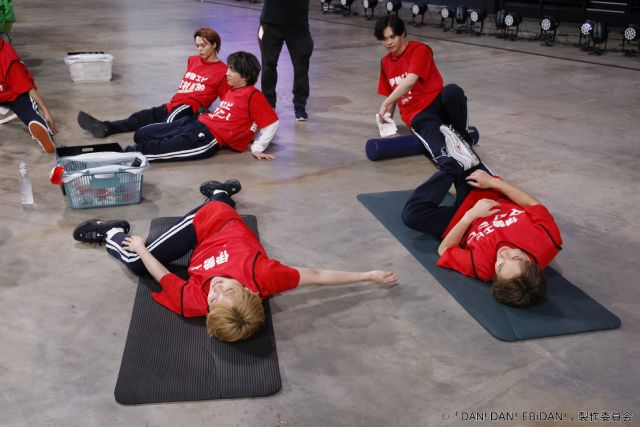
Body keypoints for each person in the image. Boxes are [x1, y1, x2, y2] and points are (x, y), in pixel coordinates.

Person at [73, 179, 398, 342]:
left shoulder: (196, 302)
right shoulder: (266, 276)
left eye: (215, 299)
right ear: (252, 293)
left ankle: (112, 231)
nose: (216, 289)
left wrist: (143, 250)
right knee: (216, 209)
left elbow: (162, 277)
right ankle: (218, 196)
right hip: (214, 220)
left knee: (135, 263)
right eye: (229, 290)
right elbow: (316, 275)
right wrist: (368, 275)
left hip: (203, 236)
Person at [402, 168, 563, 307]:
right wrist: (493, 182)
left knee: (412, 216)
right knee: (464, 163)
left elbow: (444, 249)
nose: (504, 254)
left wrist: (469, 216)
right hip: (490, 192)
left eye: (500, 266)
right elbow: (532, 204)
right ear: (532, 263)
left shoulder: (483, 268)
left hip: (465, 219)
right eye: (515, 258)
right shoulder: (547, 241)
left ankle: (450, 164)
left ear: (494, 278)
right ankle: (455, 151)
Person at [126, 51, 279, 161]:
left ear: (245, 76)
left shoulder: (253, 95)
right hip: (195, 123)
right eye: (228, 68)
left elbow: (272, 122)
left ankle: (119, 156)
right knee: (141, 134)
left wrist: (258, 147)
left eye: (232, 70)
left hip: (206, 138)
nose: (227, 73)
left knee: (146, 151)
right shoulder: (234, 90)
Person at [77, 28, 228, 138]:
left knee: (161, 128)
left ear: (214, 45)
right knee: (140, 117)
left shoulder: (223, 71)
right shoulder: (193, 60)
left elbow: (228, 102)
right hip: (172, 105)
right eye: (197, 45)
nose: (199, 49)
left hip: (188, 109)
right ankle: (106, 127)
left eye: (204, 45)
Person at [375, 15, 479, 173]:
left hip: (437, 103)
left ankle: (463, 137)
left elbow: (410, 81)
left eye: (392, 37)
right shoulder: (385, 62)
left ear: (402, 33)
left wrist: (384, 103)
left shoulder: (419, 50)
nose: (388, 42)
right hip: (417, 115)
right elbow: (393, 94)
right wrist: (388, 119)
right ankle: (451, 165)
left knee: (452, 91)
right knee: (443, 153)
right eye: (384, 39)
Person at [258, 0, 313, 121]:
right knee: (268, 64)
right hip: (270, 21)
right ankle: (269, 104)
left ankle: (300, 105)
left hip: (298, 24)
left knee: (301, 67)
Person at [0, 38, 57, 153]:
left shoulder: (7, 57)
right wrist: (45, 111)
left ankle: (40, 129)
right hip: (12, 93)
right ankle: (40, 125)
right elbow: (27, 87)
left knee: (22, 102)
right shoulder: (8, 58)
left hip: (7, 91)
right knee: (27, 110)